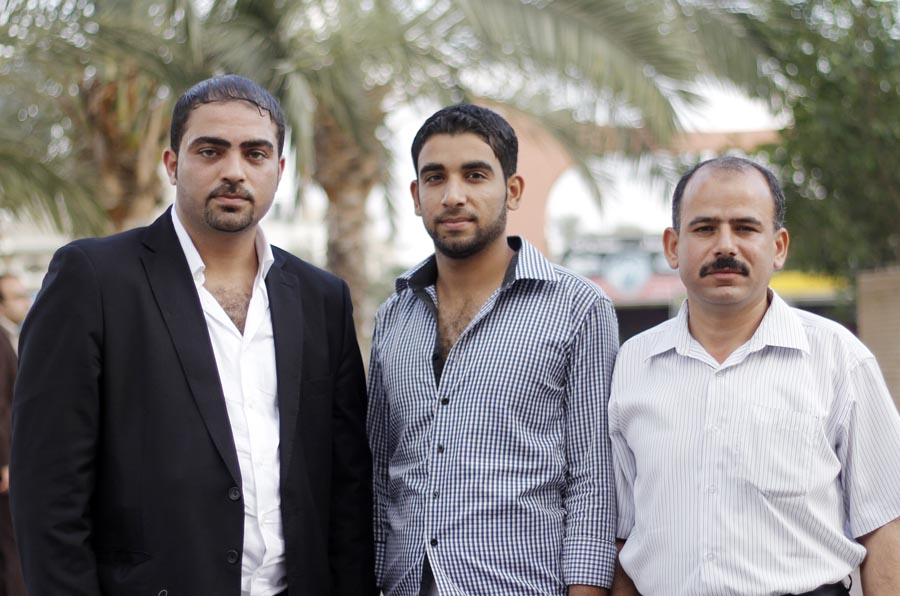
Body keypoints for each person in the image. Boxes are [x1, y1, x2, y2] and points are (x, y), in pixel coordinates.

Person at [11, 75, 376, 596]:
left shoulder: (322, 298)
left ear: (279, 170)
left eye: (255, 154)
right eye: (210, 151)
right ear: (172, 164)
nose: (234, 171)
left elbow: (347, 484)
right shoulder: (94, 278)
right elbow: (47, 491)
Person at [609, 156, 900, 596]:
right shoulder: (633, 364)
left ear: (778, 247)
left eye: (745, 228)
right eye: (705, 228)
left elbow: (884, 525)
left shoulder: (838, 359)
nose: (725, 246)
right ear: (673, 246)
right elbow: (621, 534)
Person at [367, 103, 619, 596]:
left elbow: (593, 480)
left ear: (513, 190)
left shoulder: (578, 308)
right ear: (416, 196)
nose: (453, 196)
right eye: (435, 178)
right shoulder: (393, 318)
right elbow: (378, 475)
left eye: (475, 175)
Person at [0, 274, 29, 596]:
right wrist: (5, 461)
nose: (25, 301)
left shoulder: (12, 336)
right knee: (11, 544)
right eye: (17, 296)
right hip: (6, 460)